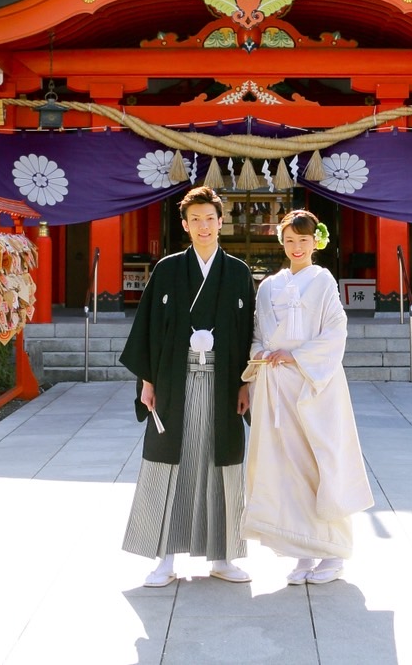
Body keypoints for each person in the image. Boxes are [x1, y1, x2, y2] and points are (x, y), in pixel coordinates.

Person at [120, 185, 256, 587]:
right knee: (170, 465)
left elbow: (249, 333)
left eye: (209, 219)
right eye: (194, 219)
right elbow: (148, 328)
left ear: (220, 222)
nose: (203, 226)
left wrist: (246, 384)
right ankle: (165, 557)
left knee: (222, 465)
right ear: (184, 224)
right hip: (174, 381)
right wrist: (147, 381)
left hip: (223, 380)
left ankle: (225, 556)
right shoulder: (167, 270)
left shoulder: (237, 272)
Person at [241, 209, 373, 585]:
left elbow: (335, 331)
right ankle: (302, 550)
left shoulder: (323, 280)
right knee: (283, 466)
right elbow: (257, 333)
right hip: (275, 386)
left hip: (314, 385)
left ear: (316, 240)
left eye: (303, 240)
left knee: (319, 461)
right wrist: (262, 355)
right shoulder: (268, 285)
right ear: (281, 242)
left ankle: (333, 552)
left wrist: (296, 356)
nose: (296, 247)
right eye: (289, 240)